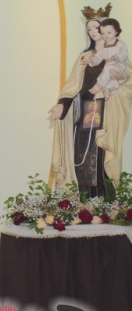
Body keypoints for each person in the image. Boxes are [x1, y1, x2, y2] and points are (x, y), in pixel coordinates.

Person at [50, 16, 132, 197]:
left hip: (106, 113)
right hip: (85, 112)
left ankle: (104, 202)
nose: (94, 32)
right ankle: (83, 201)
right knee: (82, 155)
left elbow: (128, 84)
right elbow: (73, 86)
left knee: (101, 155)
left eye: (97, 28)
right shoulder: (85, 57)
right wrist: (62, 105)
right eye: (90, 29)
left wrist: (121, 79)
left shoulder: (117, 55)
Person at [88, 19, 128, 98]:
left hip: (119, 66)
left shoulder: (120, 44)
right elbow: (98, 56)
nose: (106, 35)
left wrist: (116, 57)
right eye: (103, 33)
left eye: (109, 33)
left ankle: (99, 85)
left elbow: (124, 54)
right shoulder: (103, 46)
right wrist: (92, 61)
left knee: (108, 69)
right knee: (106, 71)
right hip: (109, 68)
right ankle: (107, 90)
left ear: (116, 32)